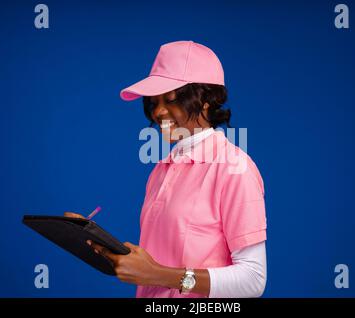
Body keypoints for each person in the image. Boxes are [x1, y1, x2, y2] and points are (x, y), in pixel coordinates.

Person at [65, 41, 267, 298]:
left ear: (206, 101)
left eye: (171, 100)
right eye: (153, 102)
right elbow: (155, 263)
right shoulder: (162, 170)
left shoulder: (234, 168)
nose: (159, 112)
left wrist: (158, 274)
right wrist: (101, 246)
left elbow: (253, 279)